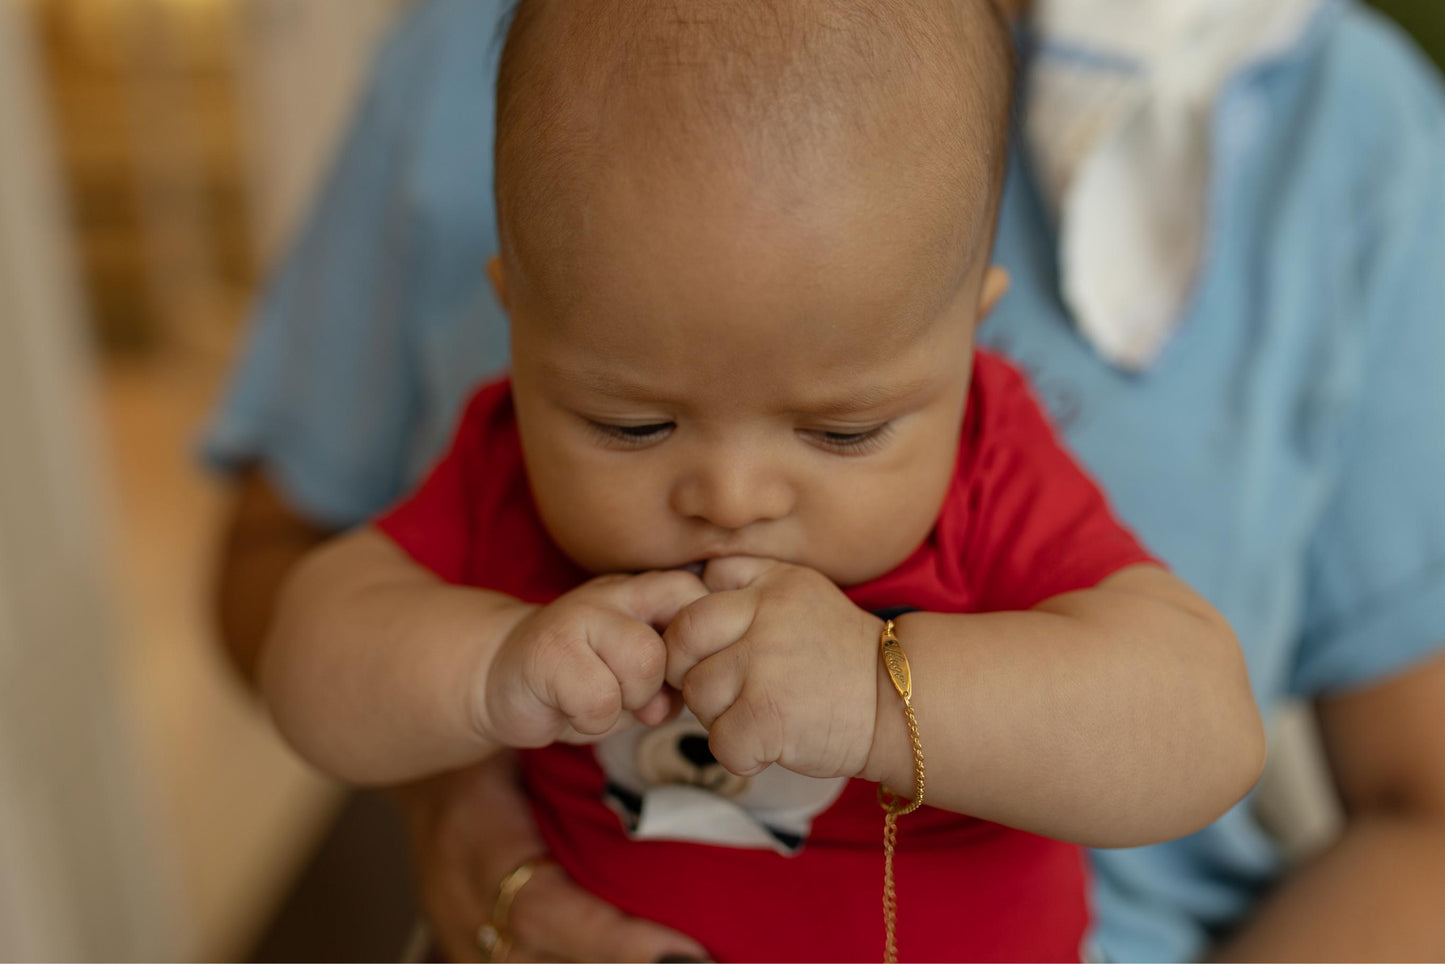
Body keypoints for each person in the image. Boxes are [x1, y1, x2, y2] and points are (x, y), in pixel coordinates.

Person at [208, 0, 1445, 961]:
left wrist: (875, 694)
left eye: (842, 433)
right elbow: (310, 649)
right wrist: (484, 673)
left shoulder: (985, 466)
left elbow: (1202, 729)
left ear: (966, 346)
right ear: (519, 326)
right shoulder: (501, 459)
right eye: (630, 423)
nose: (731, 493)